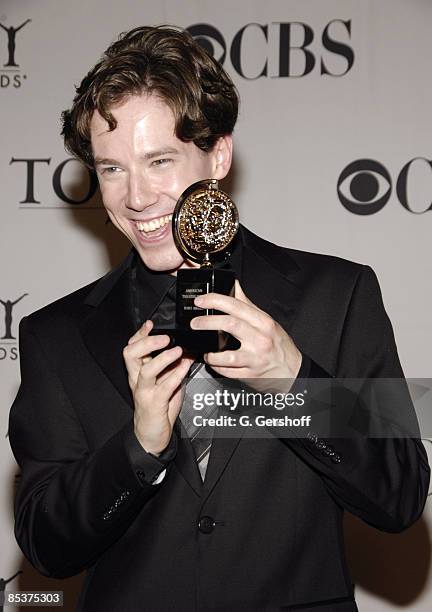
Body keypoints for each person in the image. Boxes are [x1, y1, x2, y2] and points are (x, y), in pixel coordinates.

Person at [9, 26, 430, 612]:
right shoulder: (56, 337)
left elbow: (401, 495)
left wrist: (295, 385)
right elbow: (47, 546)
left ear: (218, 156)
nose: (137, 196)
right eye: (111, 169)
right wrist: (138, 446)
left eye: (159, 161)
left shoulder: (336, 296)